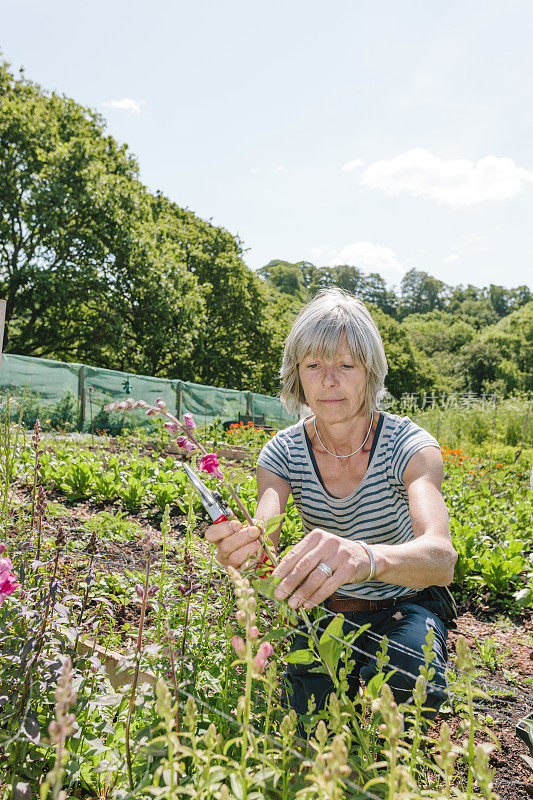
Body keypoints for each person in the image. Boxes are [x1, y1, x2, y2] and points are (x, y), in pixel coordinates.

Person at [205, 287, 457, 720]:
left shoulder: (409, 446)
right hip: (322, 609)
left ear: (370, 372)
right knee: (310, 716)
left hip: (402, 605)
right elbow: (264, 536)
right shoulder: (283, 454)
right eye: (314, 365)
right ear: (296, 374)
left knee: (412, 683)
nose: (330, 381)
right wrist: (245, 550)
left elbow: (440, 558)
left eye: (346, 365)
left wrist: (364, 558)